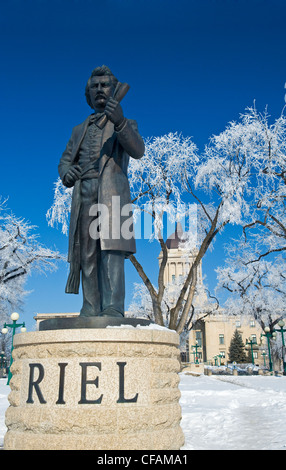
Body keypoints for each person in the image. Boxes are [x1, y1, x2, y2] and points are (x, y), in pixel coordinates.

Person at [58, 65, 145, 317]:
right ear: (88, 94)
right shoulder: (78, 130)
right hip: (84, 194)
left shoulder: (127, 123)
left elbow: (137, 150)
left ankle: (113, 308)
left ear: (114, 89)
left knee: (111, 252)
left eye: (104, 85)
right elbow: (65, 161)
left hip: (113, 195)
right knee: (86, 252)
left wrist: (119, 121)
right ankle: (91, 306)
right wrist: (66, 172)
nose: (99, 89)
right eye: (94, 86)